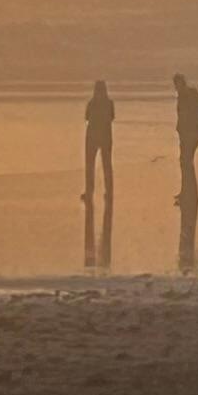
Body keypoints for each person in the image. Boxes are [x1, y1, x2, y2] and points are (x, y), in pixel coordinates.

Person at [172, 73, 198, 275]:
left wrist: (194, 125)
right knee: (184, 162)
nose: (176, 88)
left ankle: (190, 193)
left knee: (186, 162)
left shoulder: (192, 95)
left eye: (176, 84)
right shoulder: (181, 96)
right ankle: (186, 192)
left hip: (192, 133)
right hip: (185, 133)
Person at [82, 79, 117, 268]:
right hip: (106, 136)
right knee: (106, 165)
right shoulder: (108, 103)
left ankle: (90, 192)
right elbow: (111, 118)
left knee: (91, 165)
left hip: (93, 136)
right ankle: (108, 192)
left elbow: (86, 118)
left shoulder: (92, 103)